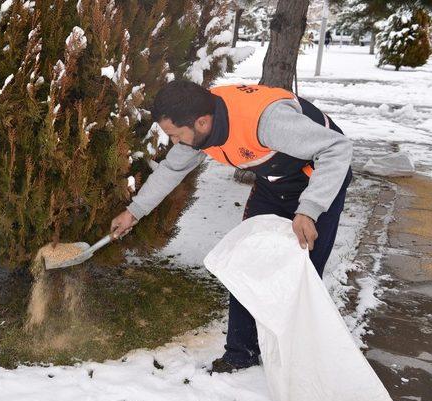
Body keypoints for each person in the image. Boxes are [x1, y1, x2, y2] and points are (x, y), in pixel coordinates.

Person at [110, 81, 353, 373]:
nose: (175, 143)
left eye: (175, 135)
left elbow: (336, 148)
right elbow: (173, 169)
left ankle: (298, 364)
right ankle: (241, 354)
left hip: (319, 179)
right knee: (246, 263)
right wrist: (134, 213)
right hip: (273, 185)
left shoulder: (267, 120)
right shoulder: (200, 126)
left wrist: (310, 209)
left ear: (201, 122)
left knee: (303, 274)